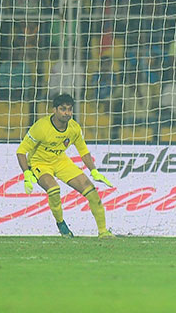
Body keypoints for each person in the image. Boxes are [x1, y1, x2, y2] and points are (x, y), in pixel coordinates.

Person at [16, 94, 115, 238]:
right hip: (39, 163)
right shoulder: (41, 127)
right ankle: (61, 224)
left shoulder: (74, 128)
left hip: (60, 161)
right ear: (54, 110)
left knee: (92, 192)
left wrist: (93, 170)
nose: (67, 113)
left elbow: (83, 151)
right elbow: (21, 151)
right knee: (54, 189)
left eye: (69, 109)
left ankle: (103, 231)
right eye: (63, 109)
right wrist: (26, 173)